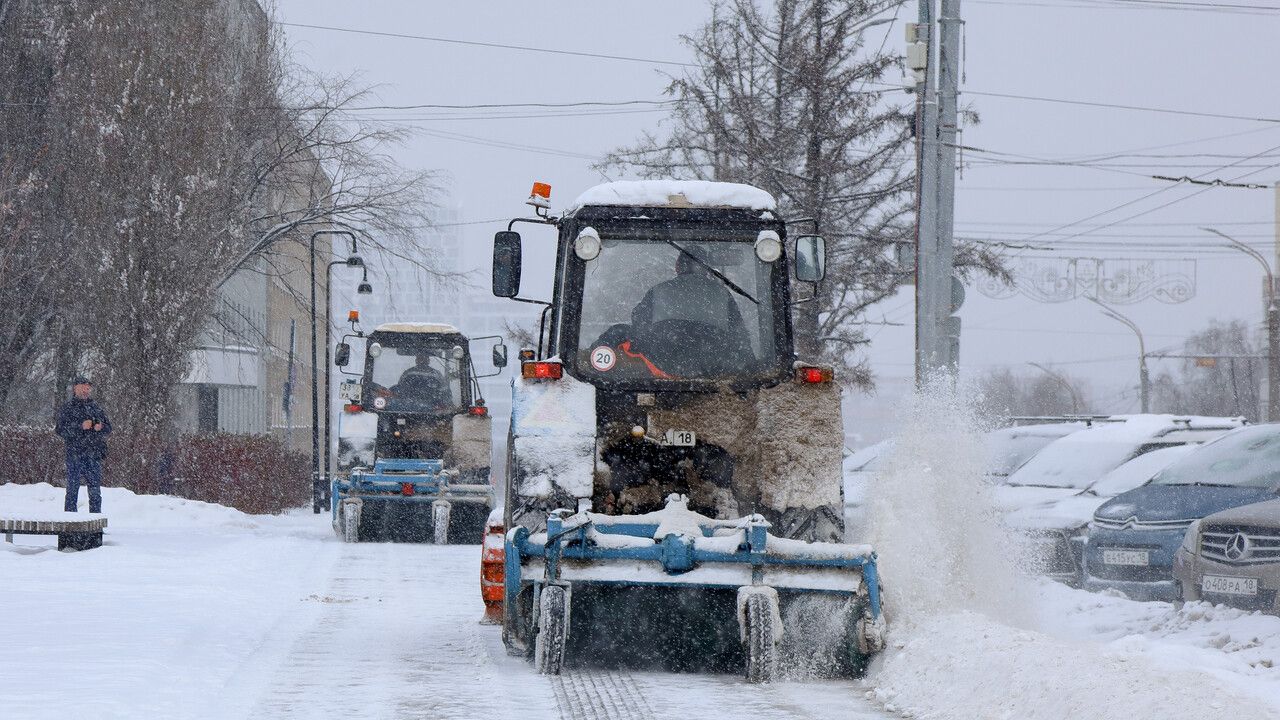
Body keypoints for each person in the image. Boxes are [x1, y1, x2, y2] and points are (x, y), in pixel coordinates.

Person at [628, 249, 754, 374]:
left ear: (678, 266)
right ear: (707, 270)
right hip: (712, 373)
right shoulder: (722, 295)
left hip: (663, 373)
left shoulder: (658, 291)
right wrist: (751, 368)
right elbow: (740, 336)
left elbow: (639, 326)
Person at [55, 377, 112, 513]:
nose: (86, 390)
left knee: (95, 492)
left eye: (88, 387)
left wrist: (100, 427)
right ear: (75, 388)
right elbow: (60, 430)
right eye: (83, 387)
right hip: (75, 454)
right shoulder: (68, 408)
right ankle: (69, 525)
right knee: (72, 490)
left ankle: (95, 525)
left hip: (94, 454)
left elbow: (109, 428)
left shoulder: (95, 408)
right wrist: (80, 426)